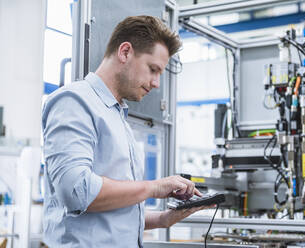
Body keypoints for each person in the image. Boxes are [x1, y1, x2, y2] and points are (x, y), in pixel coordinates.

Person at [42, 15, 210, 247]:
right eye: (153, 69)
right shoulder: (74, 102)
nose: (156, 83)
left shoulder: (117, 116)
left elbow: (110, 218)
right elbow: (77, 192)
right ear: (125, 52)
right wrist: (154, 187)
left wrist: (164, 219)